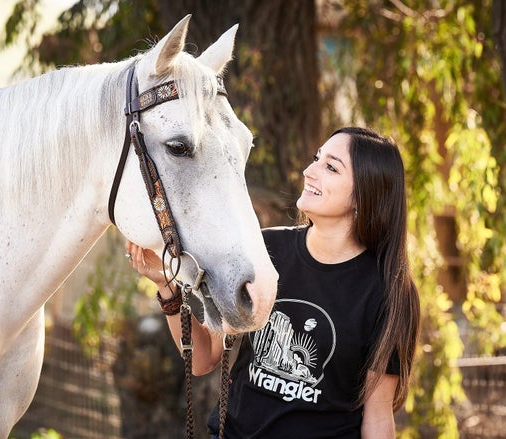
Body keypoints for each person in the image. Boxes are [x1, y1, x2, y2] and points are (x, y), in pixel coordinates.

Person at [125, 126, 420, 438]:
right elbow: (203, 359)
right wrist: (165, 286)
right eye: (316, 159)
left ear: (366, 194)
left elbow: (377, 416)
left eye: (331, 167)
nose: (309, 171)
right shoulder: (263, 251)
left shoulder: (388, 293)